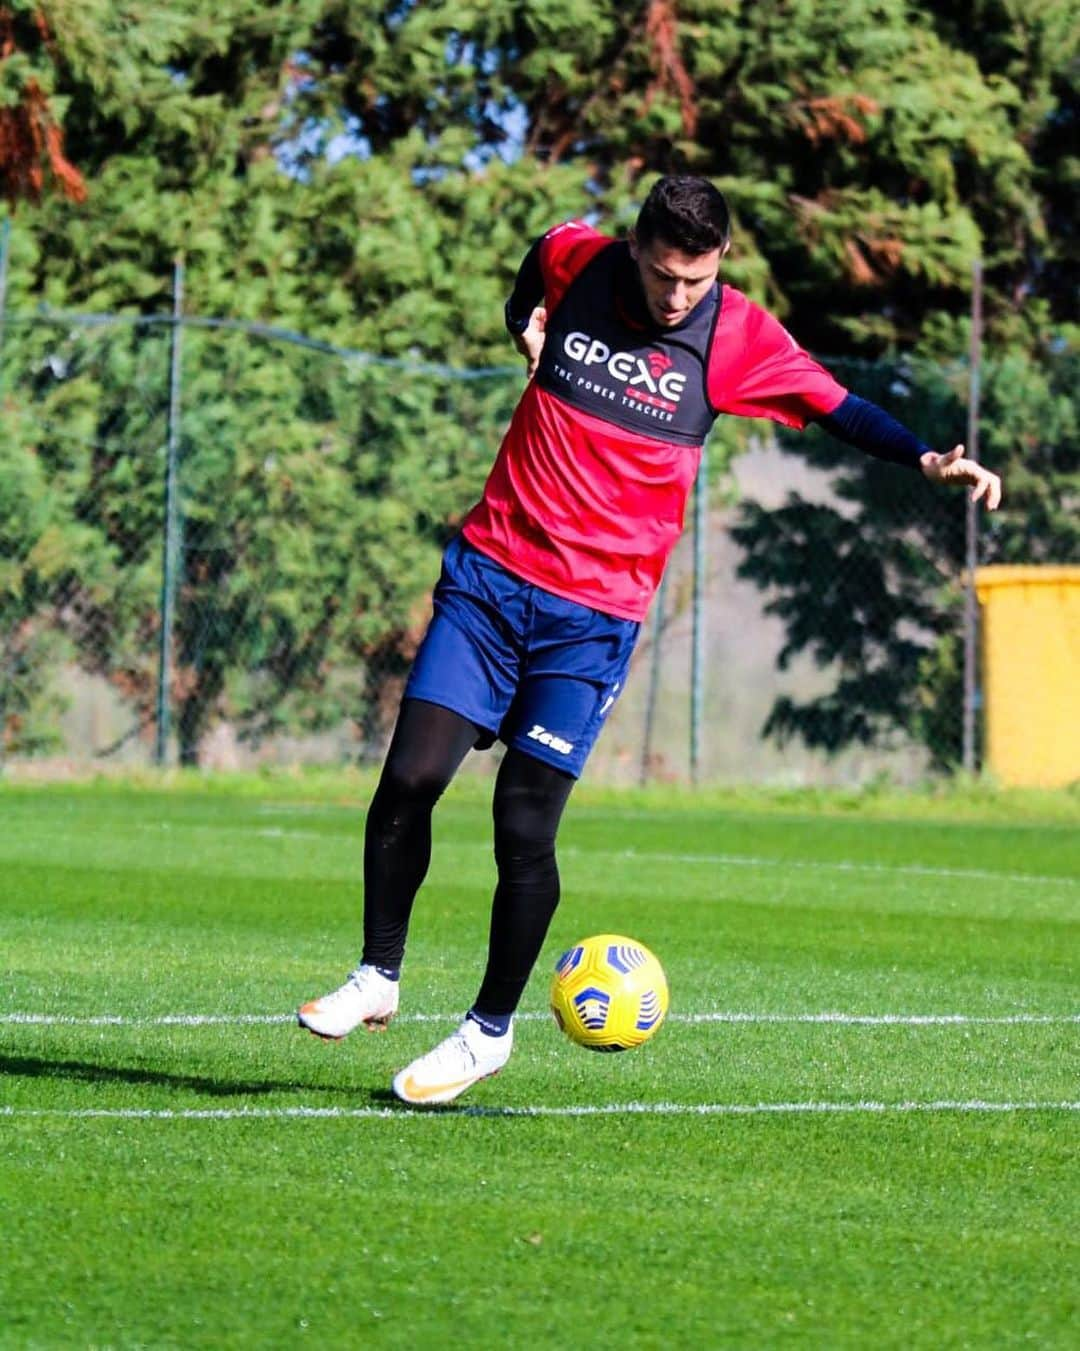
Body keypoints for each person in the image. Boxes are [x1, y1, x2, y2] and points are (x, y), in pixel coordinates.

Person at [298, 175, 1002, 1105]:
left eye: (697, 281)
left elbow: (836, 405)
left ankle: (485, 1033)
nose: (679, 297)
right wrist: (525, 323)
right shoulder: (578, 261)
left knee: (522, 823)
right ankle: (377, 975)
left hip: (593, 618)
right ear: (635, 247)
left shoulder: (735, 335)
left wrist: (920, 456)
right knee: (410, 778)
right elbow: (532, 265)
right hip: (489, 578)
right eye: (667, 275)